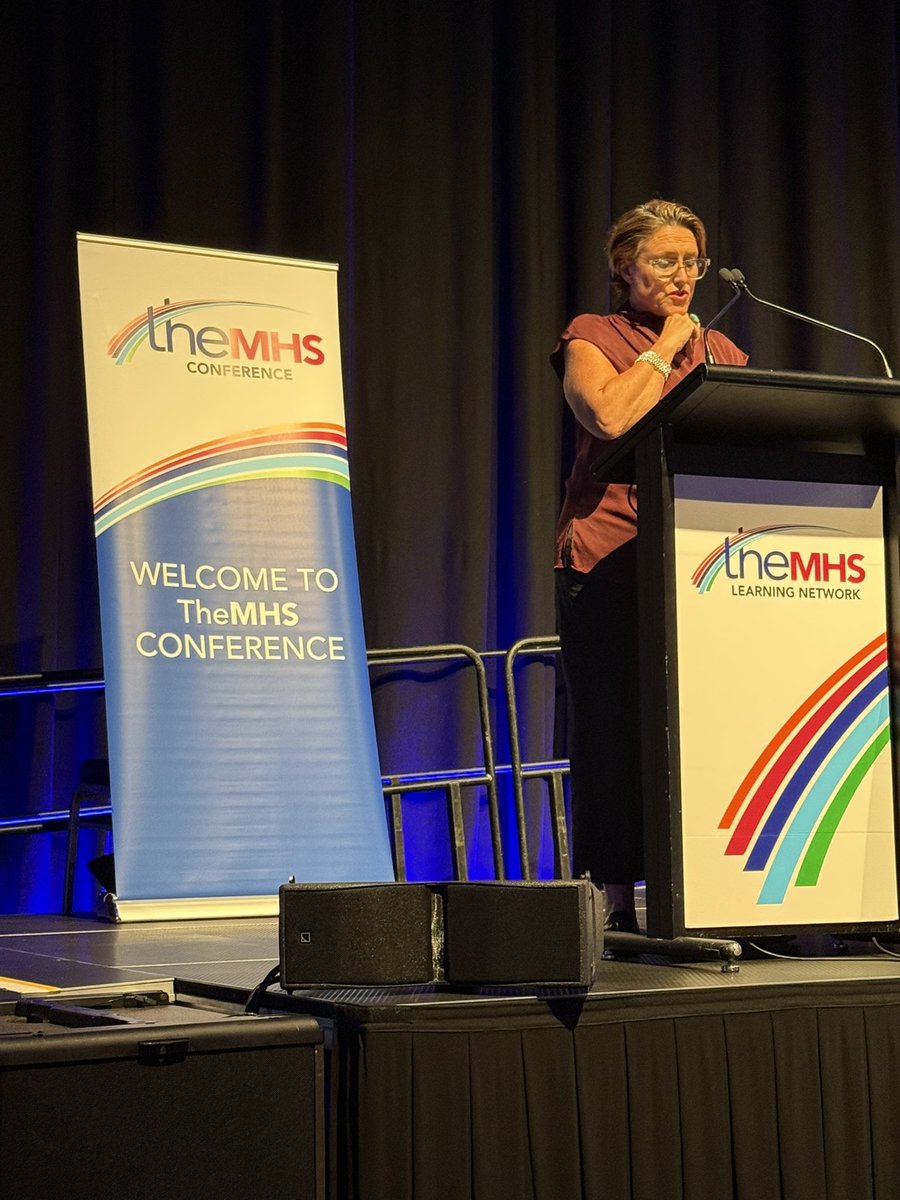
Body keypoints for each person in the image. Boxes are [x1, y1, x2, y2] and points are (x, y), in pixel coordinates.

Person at [550, 198, 748, 932]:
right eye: (665, 261)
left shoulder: (720, 352)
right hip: (607, 558)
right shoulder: (592, 336)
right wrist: (664, 346)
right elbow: (607, 417)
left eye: (691, 262)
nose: (683, 277)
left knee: (698, 728)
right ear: (624, 266)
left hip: (699, 564)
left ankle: (704, 888)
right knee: (612, 729)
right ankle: (611, 899)